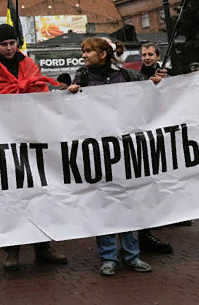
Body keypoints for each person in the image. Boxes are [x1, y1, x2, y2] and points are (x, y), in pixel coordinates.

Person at [0, 23, 68, 270]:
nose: (9, 48)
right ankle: (11, 250)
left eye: (12, 43)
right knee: (11, 195)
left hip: (32, 136)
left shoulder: (29, 63)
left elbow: (42, 92)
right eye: (3, 44)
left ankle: (42, 246)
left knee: (39, 191)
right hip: (3, 138)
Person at [67, 37, 155, 274]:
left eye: (89, 51)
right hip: (97, 151)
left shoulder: (125, 76)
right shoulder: (82, 77)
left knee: (126, 200)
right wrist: (71, 93)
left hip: (124, 150)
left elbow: (148, 88)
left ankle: (131, 255)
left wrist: (155, 83)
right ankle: (109, 257)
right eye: (82, 51)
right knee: (103, 202)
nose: (84, 55)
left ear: (104, 54)